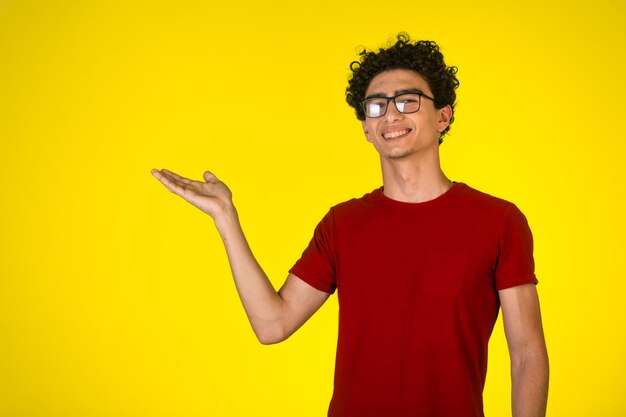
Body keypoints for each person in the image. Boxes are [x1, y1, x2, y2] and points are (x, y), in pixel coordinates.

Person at [151, 33, 549, 417]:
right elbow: (273, 324)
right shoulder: (342, 224)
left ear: (443, 116)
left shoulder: (498, 220)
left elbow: (527, 352)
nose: (391, 114)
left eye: (408, 101)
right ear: (366, 128)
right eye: (376, 105)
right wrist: (226, 219)